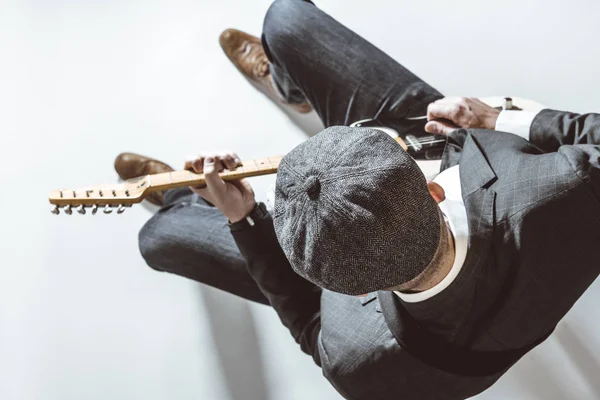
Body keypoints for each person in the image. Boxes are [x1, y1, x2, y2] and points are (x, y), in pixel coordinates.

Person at [114, 0, 600, 398]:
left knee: (159, 237)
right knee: (285, 18)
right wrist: (500, 120)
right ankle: (289, 86)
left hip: (409, 179)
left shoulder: (356, 355)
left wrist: (243, 218)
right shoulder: (571, 190)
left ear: (340, 289)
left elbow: (308, 321)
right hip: (445, 144)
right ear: (432, 188)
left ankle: (191, 197)